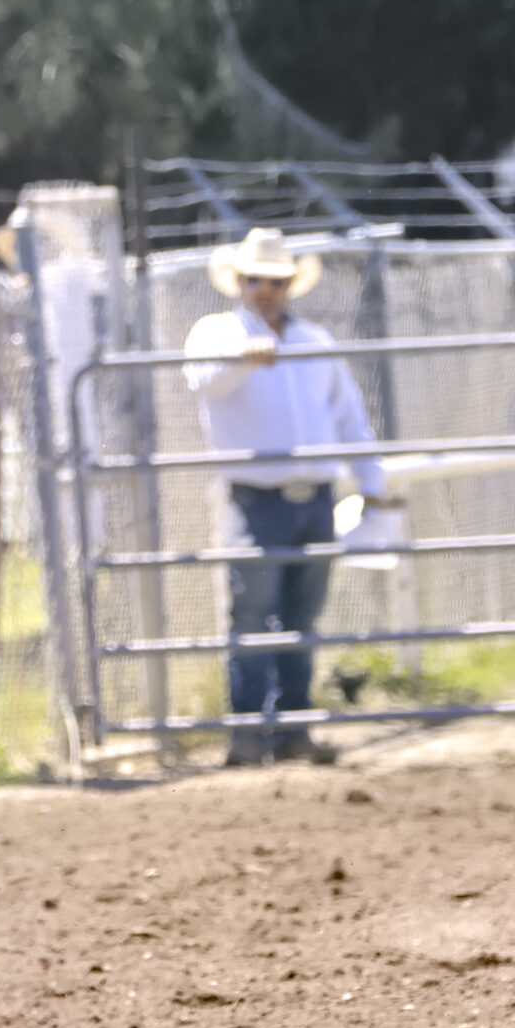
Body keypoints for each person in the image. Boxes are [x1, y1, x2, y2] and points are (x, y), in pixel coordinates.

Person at [182, 229, 402, 768]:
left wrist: (371, 483)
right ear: (238, 282)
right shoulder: (217, 332)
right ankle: (249, 733)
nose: (266, 290)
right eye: (256, 279)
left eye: (276, 281)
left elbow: (349, 415)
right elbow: (204, 381)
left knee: (303, 615)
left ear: (289, 286)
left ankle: (294, 727)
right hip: (256, 499)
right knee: (252, 615)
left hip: (315, 498)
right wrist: (242, 359)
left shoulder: (315, 342)